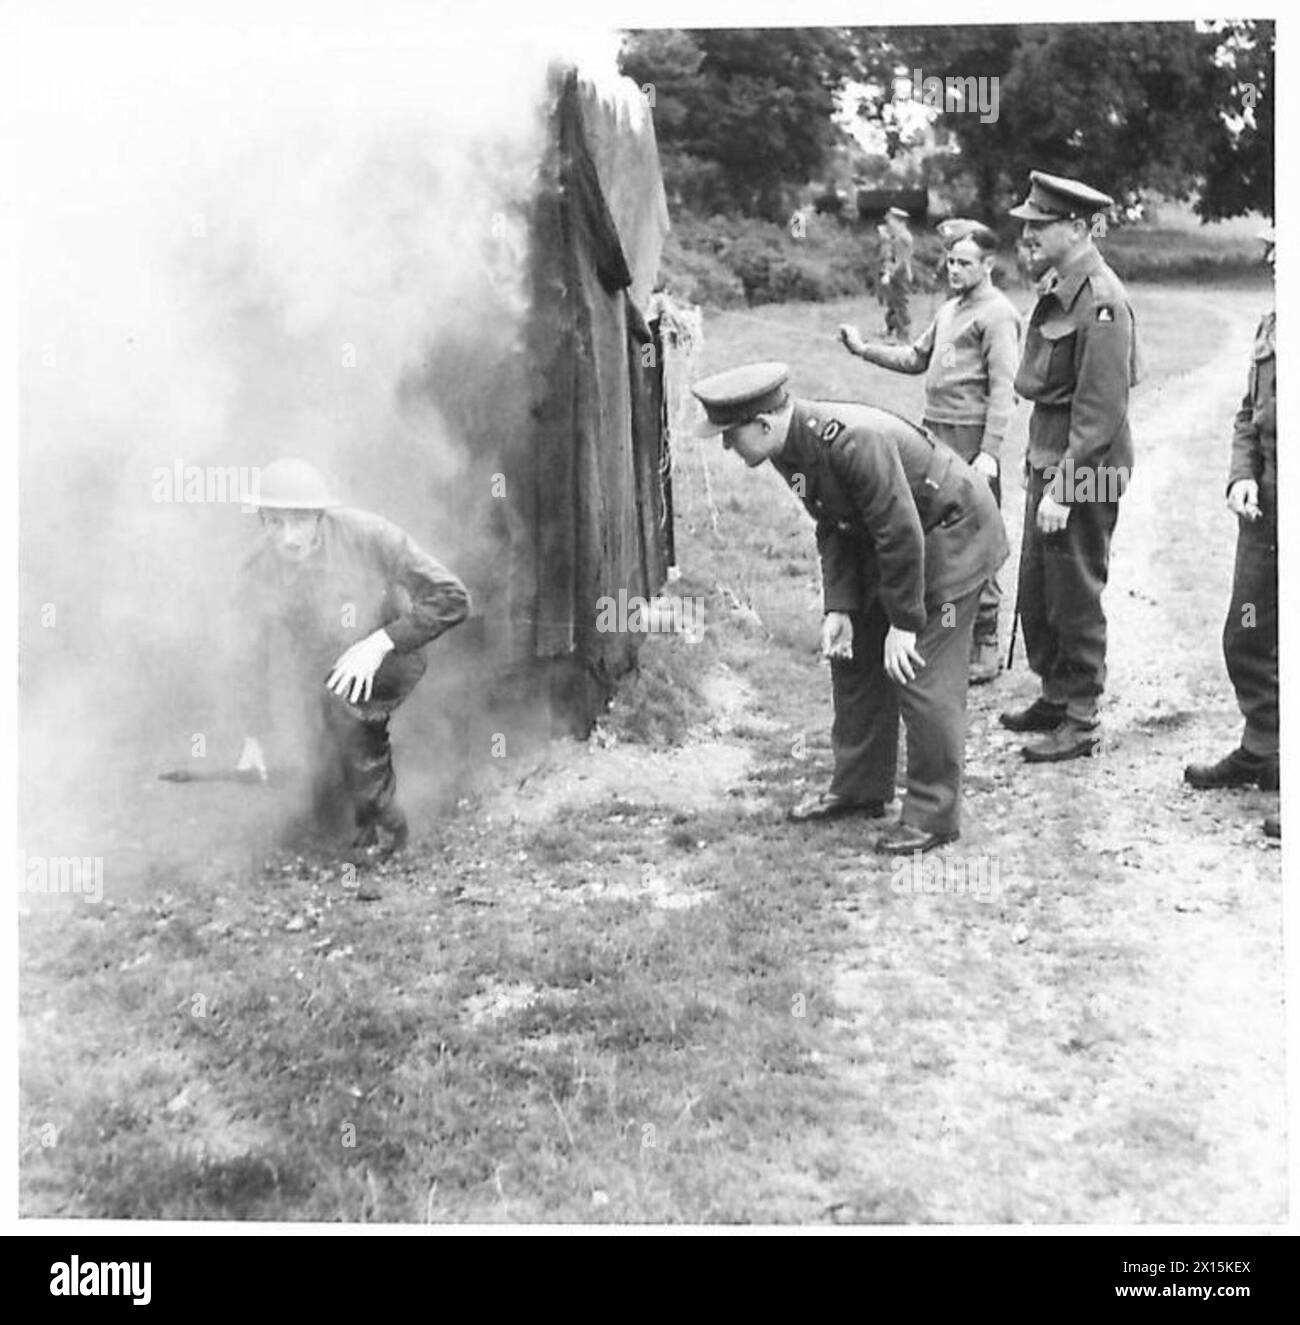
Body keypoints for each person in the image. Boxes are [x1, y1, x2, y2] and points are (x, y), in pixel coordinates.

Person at [691, 362, 1007, 853]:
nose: (728, 448)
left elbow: (899, 530)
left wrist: (904, 623)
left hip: (951, 533)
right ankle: (860, 789)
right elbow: (833, 524)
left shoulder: (852, 441)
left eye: (731, 437)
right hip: (895, 541)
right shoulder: (787, 448)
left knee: (920, 669)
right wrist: (841, 607)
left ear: (763, 424)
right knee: (855, 658)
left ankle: (933, 814)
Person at [235, 458, 470, 868]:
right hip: (325, 663)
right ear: (261, 520)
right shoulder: (258, 571)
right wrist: (253, 736)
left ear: (320, 516)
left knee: (343, 704)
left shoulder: (370, 536)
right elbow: (255, 655)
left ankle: (387, 828)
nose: (289, 538)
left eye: (300, 522)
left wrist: (380, 643)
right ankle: (347, 813)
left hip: (391, 651)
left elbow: (453, 597)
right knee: (326, 802)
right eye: (275, 523)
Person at [839, 219, 1021, 685]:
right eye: (950, 261)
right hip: (934, 434)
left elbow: (1005, 391)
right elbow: (916, 358)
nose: (953, 270)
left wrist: (991, 452)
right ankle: (943, 632)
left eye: (964, 263)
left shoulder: (998, 314)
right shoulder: (949, 309)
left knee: (975, 535)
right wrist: (863, 349)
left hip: (972, 440)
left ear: (988, 264)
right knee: (931, 529)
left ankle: (985, 642)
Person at [1000, 170, 1138, 762]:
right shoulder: (1062, 288)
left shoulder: (1103, 301)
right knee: (1038, 587)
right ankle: (1056, 695)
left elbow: (1101, 411)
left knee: (1075, 589)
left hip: (1086, 469)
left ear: (1078, 228)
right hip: (1049, 459)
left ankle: (1081, 718)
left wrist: (1065, 487)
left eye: (1040, 224)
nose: (1028, 235)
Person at [1184, 229, 1278, 838]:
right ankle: (1266, 746)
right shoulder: (1271, 323)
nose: (1272, 258)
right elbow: (1248, 413)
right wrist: (1242, 477)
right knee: (1245, 631)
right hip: (1265, 509)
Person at [879, 206, 915, 342]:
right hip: (900, 274)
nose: (888, 222)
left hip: (899, 275)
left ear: (899, 221)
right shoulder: (900, 236)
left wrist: (889, 274)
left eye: (891, 220)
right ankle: (890, 328)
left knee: (899, 304)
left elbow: (900, 259)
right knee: (893, 303)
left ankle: (904, 335)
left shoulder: (902, 238)